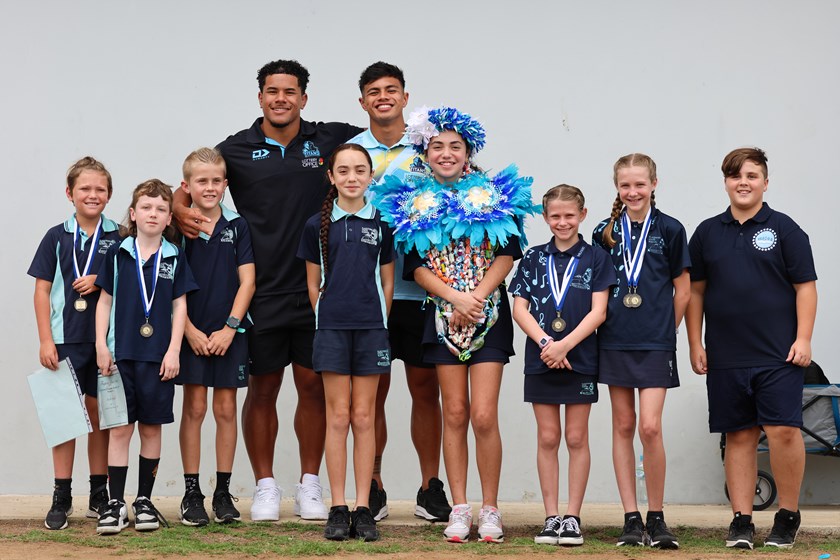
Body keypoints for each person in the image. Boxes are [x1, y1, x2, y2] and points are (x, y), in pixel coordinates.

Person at [173, 59, 363, 522]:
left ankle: (310, 485)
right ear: (259, 96)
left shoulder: (331, 139)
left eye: (290, 91)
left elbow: (389, 137)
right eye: (272, 91)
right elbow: (192, 182)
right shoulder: (235, 149)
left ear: (304, 97)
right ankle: (264, 488)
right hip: (261, 293)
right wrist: (179, 209)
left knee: (313, 388)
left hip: (319, 289)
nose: (281, 98)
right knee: (263, 391)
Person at [372, 106, 536, 543]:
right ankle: (459, 508)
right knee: (455, 413)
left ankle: (491, 509)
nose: (446, 153)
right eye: (437, 146)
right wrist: (454, 298)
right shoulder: (409, 201)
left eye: (455, 147)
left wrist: (477, 297)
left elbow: (507, 253)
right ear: (425, 153)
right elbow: (415, 266)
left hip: (489, 315)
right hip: (440, 316)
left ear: (468, 152)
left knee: (483, 415)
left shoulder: (496, 193)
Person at [686, 147, 817, 550]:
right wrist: (695, 342)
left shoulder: (786, 229)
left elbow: (805, 287)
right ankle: (741, 520)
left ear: (764, 181)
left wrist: (804, 338)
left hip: (779, 354)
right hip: (726, 355)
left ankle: (788, 516)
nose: (743, 182)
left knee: (782, 431)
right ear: (725, 182)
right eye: (735, 175)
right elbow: (695, 291)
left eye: (751, 175)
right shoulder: (707, 232)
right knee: (738, 436)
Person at [348, 61, 451, 523]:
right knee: (372, 396)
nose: (383, 97)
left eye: (392, 90)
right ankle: (373, 484)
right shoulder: (351, 152)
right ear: (363, 101)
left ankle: (431, 487)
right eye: (374, 91)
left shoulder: (429, 145)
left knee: (425, 390)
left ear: (406, 98)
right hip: (372, 295)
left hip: (423, 292)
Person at [592, 153, 690, 549]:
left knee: (650, 426)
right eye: (625, 185)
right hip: (614, 338)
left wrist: (668, 329)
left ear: (654, 184)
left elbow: (682, 289)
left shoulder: (670, 228)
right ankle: (631, 518)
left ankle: (657, 515)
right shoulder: (605, 231)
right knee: (622, 425)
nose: (633, 192)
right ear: (617, 188)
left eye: (639, 184)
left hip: (654, 341)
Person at [297, 143, 394, 541]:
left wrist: (378, 318)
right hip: (332, 331)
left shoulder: (382, 223)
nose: (352, 177)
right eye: (343, 171)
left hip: (371, 331)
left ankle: (362, 507)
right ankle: (337, 506)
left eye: (359, 170)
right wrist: (330, 317)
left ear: (370, 175)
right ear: (331, 177)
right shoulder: (315, 225)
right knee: (337, 417)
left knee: (365, 417)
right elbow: (312, 285)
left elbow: (387, 282)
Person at [510, 184, 614, 546]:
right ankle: (550, 516)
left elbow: (599, 311)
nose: (563, 222)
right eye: (555, 216)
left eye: (570, 215)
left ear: (582, 215)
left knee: (575, 437)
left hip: (580, 358)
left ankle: (573, 517)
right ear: (545, 217)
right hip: (541, 358)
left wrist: (565, 345)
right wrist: (546, 344)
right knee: (548, 437)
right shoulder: (533, 257)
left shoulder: (597, 258)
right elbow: (518, 308)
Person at [94, 180, 198, 534]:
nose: (153, 214)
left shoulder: (174, 255)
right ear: (134, 213)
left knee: (152, 429)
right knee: (120, 430)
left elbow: (179, 306)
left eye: (160, 209)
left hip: (159, 359)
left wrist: (173, 351)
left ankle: (144, 501)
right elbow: (104, 301)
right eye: (146, 207)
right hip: (121, 356)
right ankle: (115, 503)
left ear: (170, 217)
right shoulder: (119, 254)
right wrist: (101, 346)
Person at [28, 157, 122, 530]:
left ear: (110, 194)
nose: (93, 195)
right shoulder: (56, 236)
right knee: (65, 419)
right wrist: (45, 339)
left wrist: (102, 278)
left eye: (100, 189)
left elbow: (131, 280)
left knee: (100, 416)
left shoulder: (120, 236)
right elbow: (41, 289)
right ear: (70, 193)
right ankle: (61, 494)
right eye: (85, 188)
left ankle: (99, 492)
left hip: (106, 342)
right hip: (65, 340)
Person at [176, 148, 256, 526]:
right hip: (189, 332)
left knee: (225, 410)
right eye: (201, 181)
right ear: (186, 185)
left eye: (215, 181)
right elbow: (169, 287)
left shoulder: (237, 227)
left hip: (229, 334)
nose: (209, 187)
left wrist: (230, 327)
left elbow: (248, 281)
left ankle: (223, 491)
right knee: (194, 409)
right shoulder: (179, 229)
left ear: (226, 184)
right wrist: (188, 330)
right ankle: (192, 492)